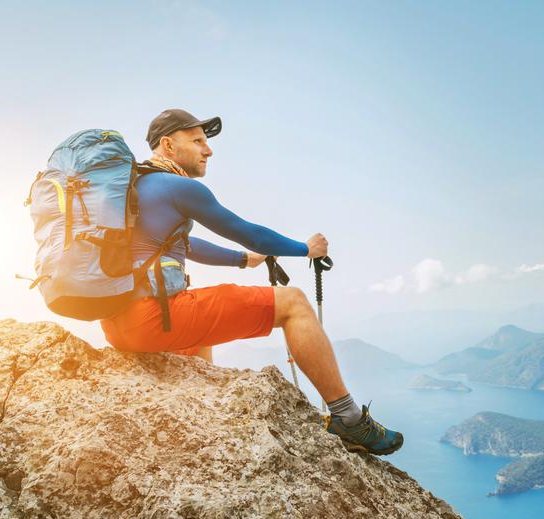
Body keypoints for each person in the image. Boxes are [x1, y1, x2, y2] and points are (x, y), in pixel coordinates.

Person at [99, 109, 403, 456]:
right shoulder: (178, 187)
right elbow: (252, 234)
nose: (208, 150)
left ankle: (205, 417)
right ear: (168, 145)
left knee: (201, 330)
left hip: (117, 325)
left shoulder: (133, 188)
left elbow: (179, 246)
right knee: (293, 302)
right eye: (197, 141)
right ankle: (349, 419)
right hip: (153, 320)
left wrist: (241, 260)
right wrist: (305, 249)